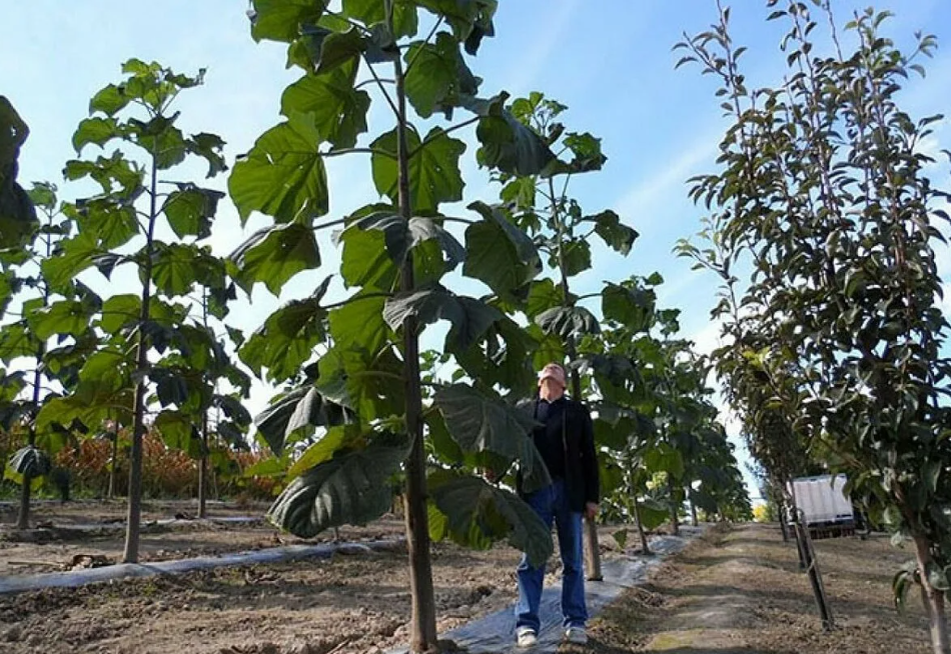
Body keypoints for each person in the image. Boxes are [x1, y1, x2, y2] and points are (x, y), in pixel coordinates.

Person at [513, 362, 599, 648]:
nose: (551, 368)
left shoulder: (576, 411)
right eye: (547, 368)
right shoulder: (525, 409)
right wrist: (494, 468)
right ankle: (526, 625)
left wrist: (592, 497)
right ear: (540, 380)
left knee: (572, 560)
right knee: (532, 559)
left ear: (564, 384)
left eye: (558, 368)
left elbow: (589, 454)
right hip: (535, 490)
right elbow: (510, 444)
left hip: (569, 491)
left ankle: (575, 622)